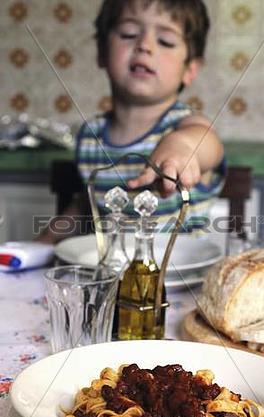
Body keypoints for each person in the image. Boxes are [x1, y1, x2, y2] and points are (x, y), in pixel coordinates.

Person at [39, 0, 225, 243]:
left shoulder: (185, 125)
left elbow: (207, 141)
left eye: (165, 41)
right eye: (129, 34)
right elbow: (89, 206)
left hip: (182, 279)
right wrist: (42, 244)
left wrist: (183, 146)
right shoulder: (90, 137)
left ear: (190, 69)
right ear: (102, 52)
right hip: (113, 278)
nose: (144, 46)